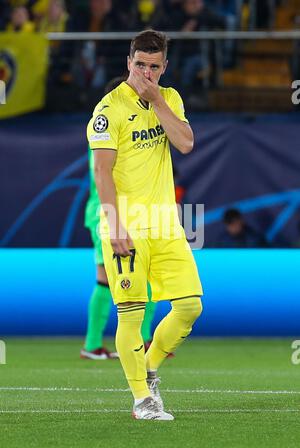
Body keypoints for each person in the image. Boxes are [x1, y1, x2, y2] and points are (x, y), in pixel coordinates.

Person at [87, 30, 203, 420]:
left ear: (164, 67)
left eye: (155, 67)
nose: (147, 73)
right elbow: (102, 170)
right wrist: (114, 222)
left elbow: (185, 143)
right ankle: (142, 399)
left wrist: (156, 102)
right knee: (132, 314)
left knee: (190, 307)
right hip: (127, 226)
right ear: (128, 63)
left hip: (166, 224)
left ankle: (150, 368)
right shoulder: (109, 109)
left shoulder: (168, 98)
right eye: (141, 65)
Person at [81, 76, 157, 360]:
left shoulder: (119, 133)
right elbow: (105, 178)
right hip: (108, 214)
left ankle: (141, 340)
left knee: (141, 276)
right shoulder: (106, 132)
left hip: (121, 213)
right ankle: (94, 344)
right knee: (108, 279)